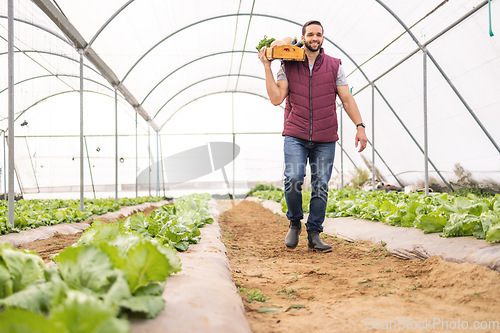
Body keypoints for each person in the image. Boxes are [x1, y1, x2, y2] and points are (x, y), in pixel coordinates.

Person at [258, 20, 368, 253]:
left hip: (325, 136)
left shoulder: (335, 65)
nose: (314, 38)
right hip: (295, 134)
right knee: (293, 178)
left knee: (320, 185)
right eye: (310, 34)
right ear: (303, 37)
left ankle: (314, 233)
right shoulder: (288, 64)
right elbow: (277, 97)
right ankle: (295, 222)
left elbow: (347, 99)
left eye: (318, 35)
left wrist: (360, 126)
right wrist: (267, 67)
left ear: (323, 39)